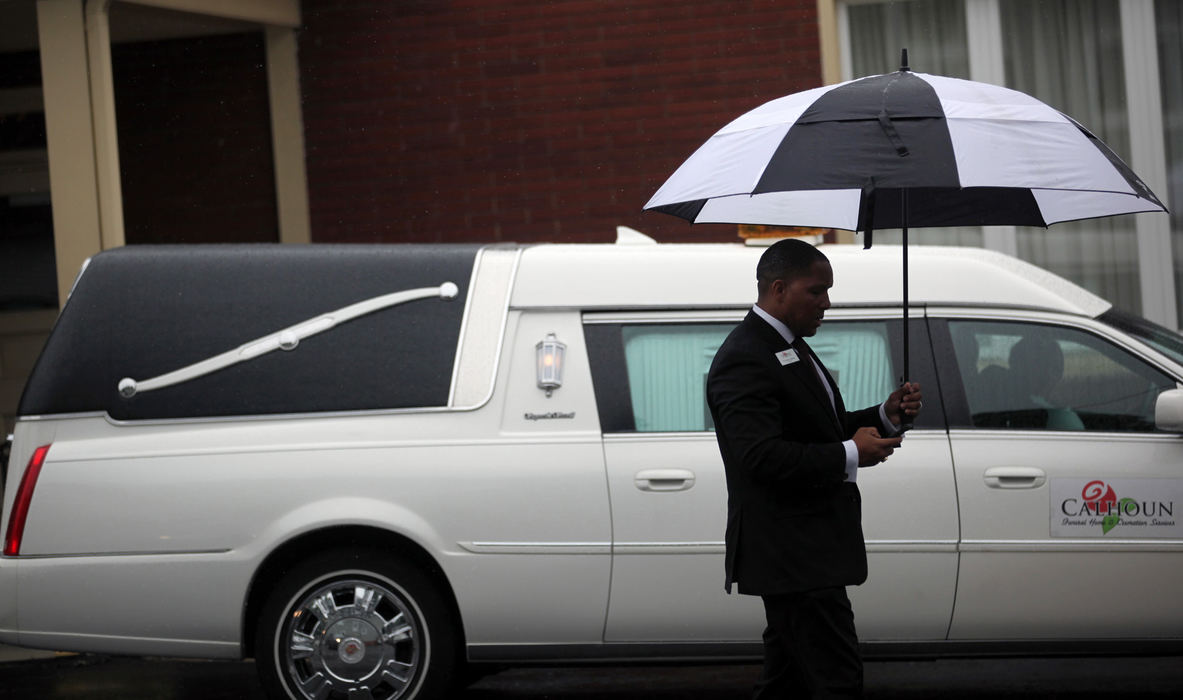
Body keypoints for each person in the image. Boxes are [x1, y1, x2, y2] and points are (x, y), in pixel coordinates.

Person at [706, 238, 922, 699]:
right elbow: (758, 456)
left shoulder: (790, 345)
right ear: (779, 289)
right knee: (836, 681)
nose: (827, 302)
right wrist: (849, 452)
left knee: (788, 685)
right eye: (816, 291)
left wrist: (883, 416)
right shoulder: (746, 356)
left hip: (805, 554)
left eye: (828, 291)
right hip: (793, 556)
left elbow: (816, 428)